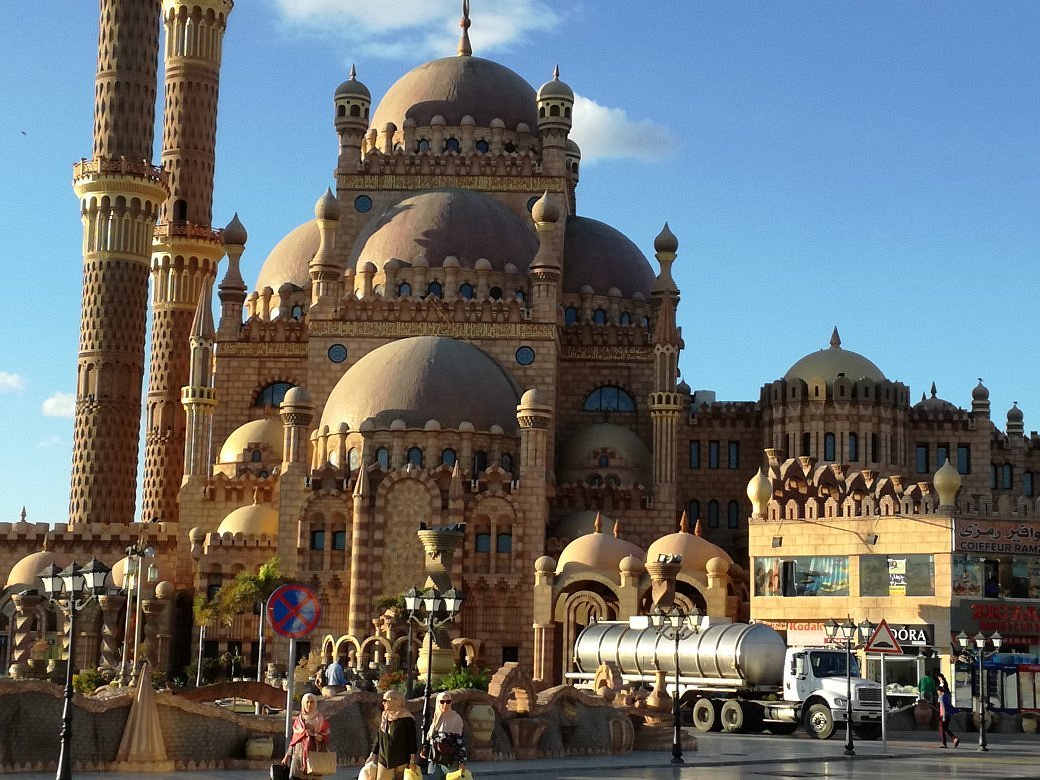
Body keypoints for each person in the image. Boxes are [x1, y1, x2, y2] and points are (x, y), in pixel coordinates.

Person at [367, 690, 418, 779]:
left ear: (395, 701)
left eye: (385, 701)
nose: (383, 703)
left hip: (401, 759)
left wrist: (412, 761)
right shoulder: (385, 716)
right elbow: (379, 738)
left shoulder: (407, 718)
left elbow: (412, 741)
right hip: (384, 759)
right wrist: (372, 755)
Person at [284, 692, 331, 779]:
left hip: (315, 755)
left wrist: (315, 735)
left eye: (312, 702)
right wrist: (287, 755)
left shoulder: (320, 719)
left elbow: (325, 735)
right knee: (295, 777)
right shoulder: (299, 720)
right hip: (298, 755)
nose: (309, 705)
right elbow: (295, 739)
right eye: (307, 702)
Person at [422, 692, 467, 780]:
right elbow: (430, 737)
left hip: (450, 760)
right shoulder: (436, 717)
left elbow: (460, 742)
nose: (445, 704)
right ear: (438, 702)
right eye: (442, 702)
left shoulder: (456, 718)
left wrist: (462, 762)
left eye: (448, 701)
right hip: (434, 759)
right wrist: (425, 750)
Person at [936, 673, 959, 748]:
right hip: (949, 714)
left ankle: (944, 743)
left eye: (938, 691)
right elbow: (950, 705)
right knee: (945, 727)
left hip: (944, 714)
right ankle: (954, 738)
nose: (937, 693)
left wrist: (943, 716)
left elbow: (942, 706)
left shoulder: (941, 697)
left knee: (941, 727)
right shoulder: (948, 695)